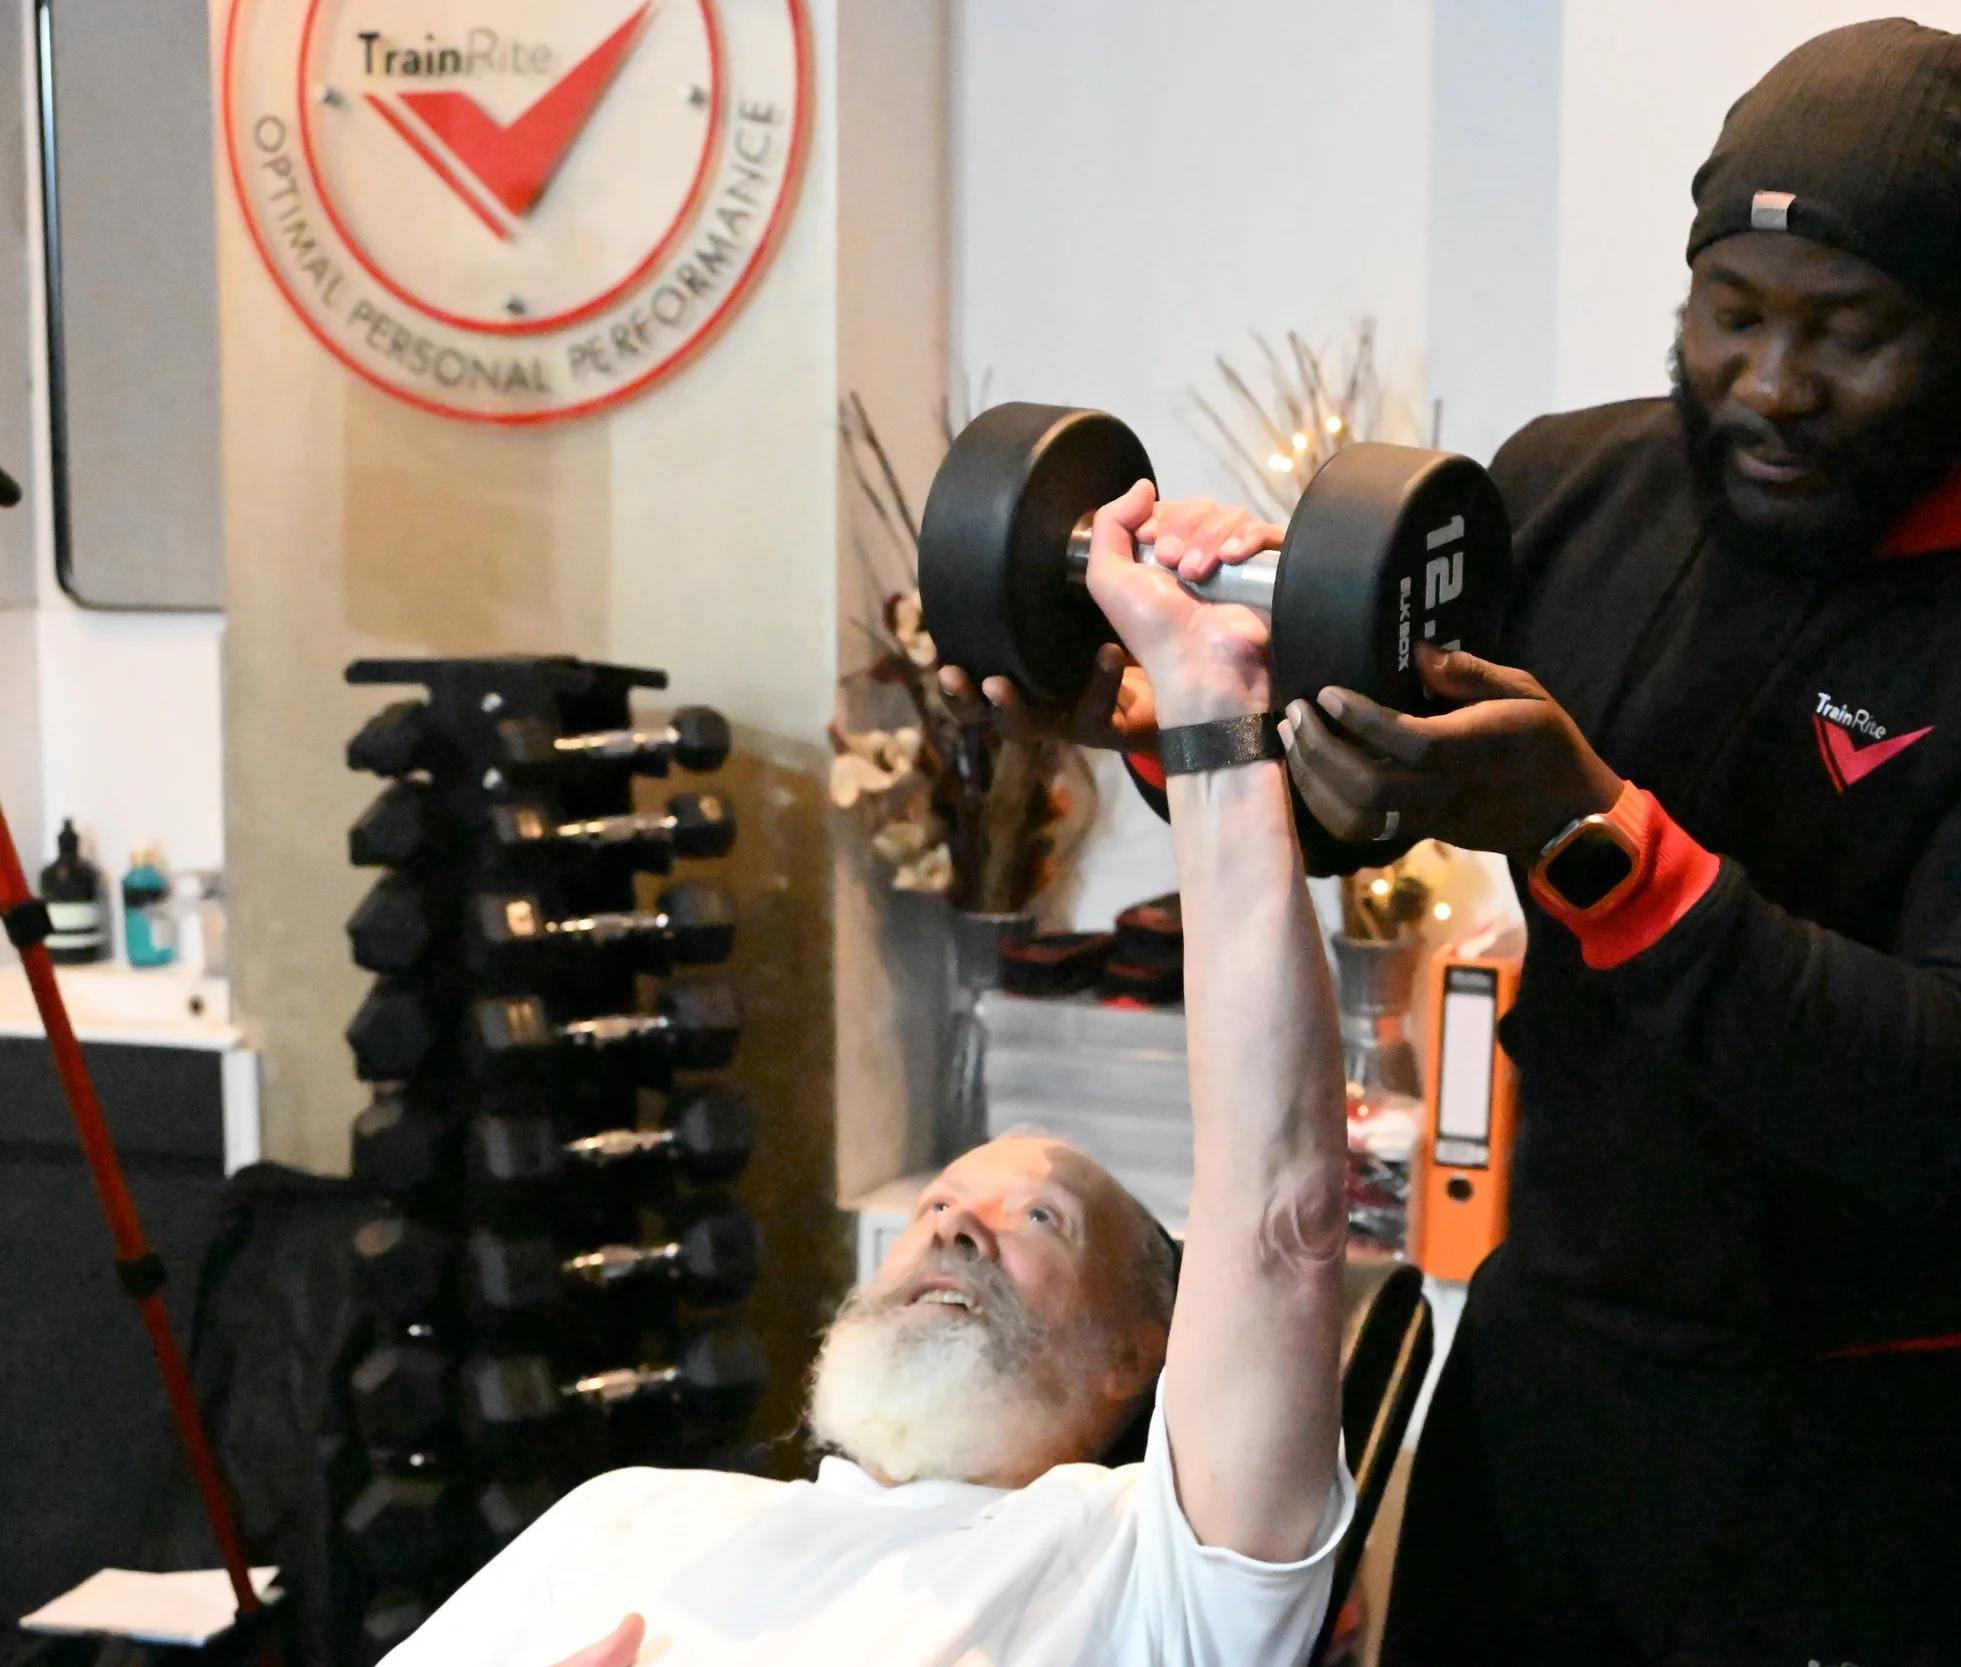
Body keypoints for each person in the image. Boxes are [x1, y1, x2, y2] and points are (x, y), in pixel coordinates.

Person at [953, 19, 1961, 1662]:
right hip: (1558, 1362)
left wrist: (1591, 837)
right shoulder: (1572, 490)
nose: (1771, 386)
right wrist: (1174, 708)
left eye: (1854, 333)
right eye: (1733, 312)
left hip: (1870, 1442)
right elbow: (1375, 790)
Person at [381, 481, 1355, 1667]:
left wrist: (1210, 693)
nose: (954, 1222)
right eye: (942, 1201)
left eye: (1037, 1217)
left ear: (1133, 1353)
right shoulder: (631, 1513)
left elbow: (1279, 1210)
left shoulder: (1137, 1564)